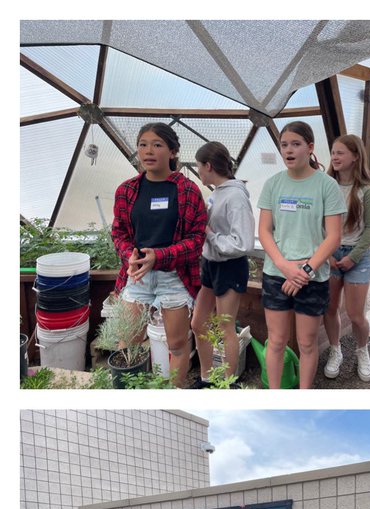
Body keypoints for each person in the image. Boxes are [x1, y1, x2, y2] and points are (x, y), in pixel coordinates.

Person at [110, 122, 206, 386]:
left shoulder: (187, 190)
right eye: (143, 145)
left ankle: (173, 391)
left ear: (172, 152)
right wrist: (130, 254)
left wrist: (159, 256)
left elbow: (197, 241)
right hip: (137, 275)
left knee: (177, 344)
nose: (148, 151)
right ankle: (132, 393)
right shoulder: (127, 190)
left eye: (157, 145)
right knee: (126, 342)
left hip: (173, 277)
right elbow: (118, 232)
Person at [257, 121, 346, 389]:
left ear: (309, 148)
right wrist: (285, 267)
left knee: (307, 342)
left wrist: (304, 272)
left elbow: (334, 236)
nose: (289, 150)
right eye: (284, 145)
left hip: (312, 277)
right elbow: (264, 231)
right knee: (276, 340)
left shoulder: (326, 186)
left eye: (295, 144)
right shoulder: (273, 184)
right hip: (277, 275)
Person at [190, 141, 253, 387]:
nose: (198, 172)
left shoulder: (235, 196)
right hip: (211, 264)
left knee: (226, 326)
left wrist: (210, 235)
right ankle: (206, 377)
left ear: (208, 165)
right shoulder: (216, 194)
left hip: (230, 266)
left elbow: (243, 242)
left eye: (198, 167)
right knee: (198, 322)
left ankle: (227, 384)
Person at [323, 135, 370, 382]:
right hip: (330, 255)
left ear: (355, 156)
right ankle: (335, 351)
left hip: (357, 257)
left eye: (341, 153)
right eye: (333, 153)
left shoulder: (366, 191)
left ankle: (362, 350)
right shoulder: (325, 186)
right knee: (330, 308)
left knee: (356, 314)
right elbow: (317, 224)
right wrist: (326, 256)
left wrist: (354, 258)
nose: (335, 157)